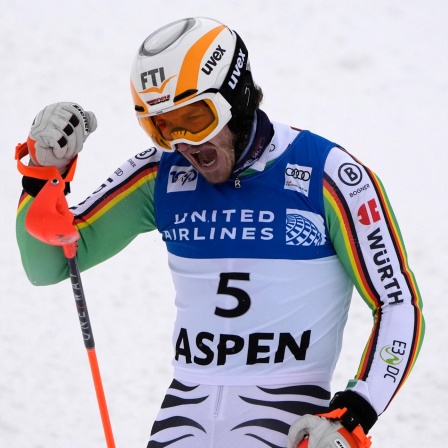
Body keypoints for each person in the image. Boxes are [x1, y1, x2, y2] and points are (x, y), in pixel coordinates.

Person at [15, 17, 424, 448]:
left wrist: (355, 411)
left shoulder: (329, 174)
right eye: (162, 126)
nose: (183, 143)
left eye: (195, 118)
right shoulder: (160, 173)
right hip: (182, 424)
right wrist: (42, 175)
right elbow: (47, 266)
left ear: (237, 97)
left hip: (285, 426)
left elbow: (398, 303)